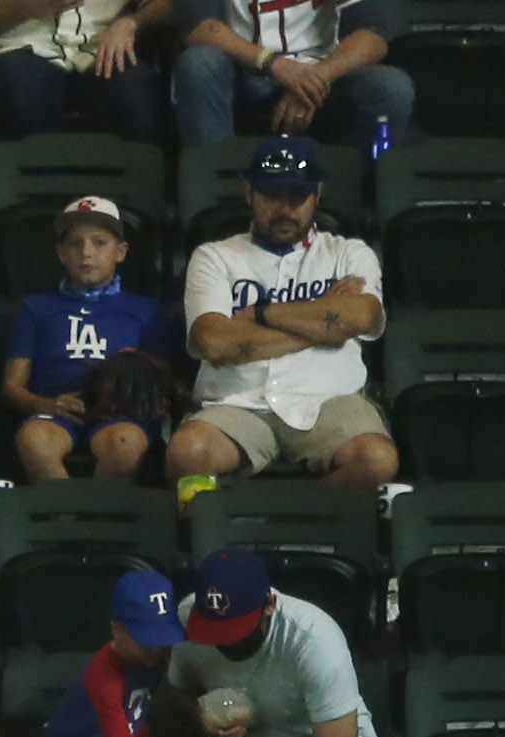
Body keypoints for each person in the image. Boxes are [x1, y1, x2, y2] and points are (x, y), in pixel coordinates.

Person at [168, 140, 395, 491]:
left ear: (317, 194)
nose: (285, 209)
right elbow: (213, 342)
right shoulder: (215, 256)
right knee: (187, 454)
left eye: (296, 198)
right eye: (272, 196)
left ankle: (298, 520)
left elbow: (363, 317)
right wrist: (325, 325)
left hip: (330, 402)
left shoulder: (348, 253)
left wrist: (260, 313)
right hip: (237, 403)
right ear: (249, 193)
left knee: (377, 460)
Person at [168, 546, 409, 737]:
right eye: (213, 631)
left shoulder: (313, 638)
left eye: (234, 631)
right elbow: (175, 692)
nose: (222, 642)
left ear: (269, 605)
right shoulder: (185, 620)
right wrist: (199, 715)